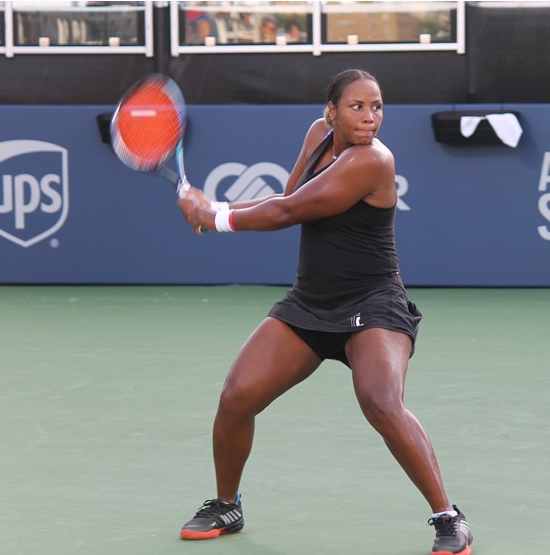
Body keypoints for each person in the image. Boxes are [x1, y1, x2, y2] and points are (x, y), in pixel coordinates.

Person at [176, 68, 474, 555]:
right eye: (357, 107)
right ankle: (227, 505)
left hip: (373, 303)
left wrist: (215, 216)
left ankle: (448, 517)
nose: (370, 117)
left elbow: (289, 214)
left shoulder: (373, 160)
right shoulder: (318, 136)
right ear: (331, 111)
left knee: (380, 401)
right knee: (236, 396)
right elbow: (288, 197)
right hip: (311, 303)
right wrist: (215, 208)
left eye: (377, 107)